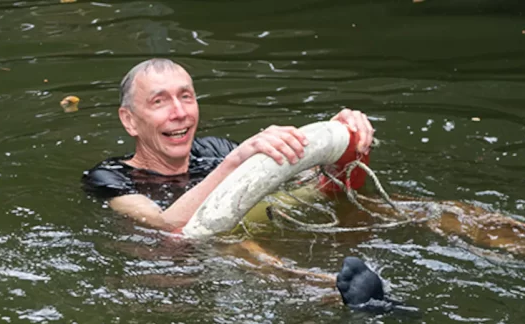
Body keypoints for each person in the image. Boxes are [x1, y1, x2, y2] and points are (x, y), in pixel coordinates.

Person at [82, 58, 375, 232]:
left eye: (186, 97)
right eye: (159, 101)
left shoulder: (213, 151)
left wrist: (342, 137)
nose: (180, 112)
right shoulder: (109, 176)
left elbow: (312, 183)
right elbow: (164, 226)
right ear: (129, 120)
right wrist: (235, 161)